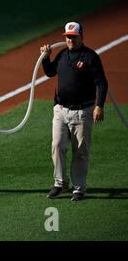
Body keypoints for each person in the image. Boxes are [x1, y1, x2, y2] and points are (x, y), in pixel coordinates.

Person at [40, 22, 108, 201]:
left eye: (73, 36)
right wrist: (46, 58)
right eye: (67, 37)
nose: (69, 39)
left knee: (80, 151)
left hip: (82, 111)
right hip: (60, 110)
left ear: (81, 36)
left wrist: (99, 105)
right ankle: (60, 184)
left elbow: (101, 82)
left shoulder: (90, 57)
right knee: (57, 146)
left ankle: (79, 188)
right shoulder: (62, 55)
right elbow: (50, 72)